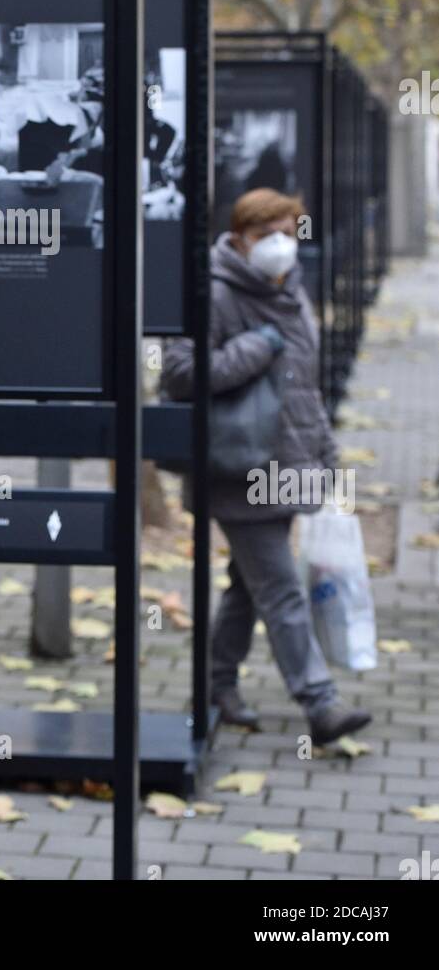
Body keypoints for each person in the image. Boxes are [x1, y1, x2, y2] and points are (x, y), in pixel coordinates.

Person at [161, 187, 373, 746]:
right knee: (280, 588)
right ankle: (320, 704)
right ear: (239, 238)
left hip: (289, 465)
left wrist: (325, 458)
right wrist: (259, 345)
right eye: (266, 234)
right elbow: (180, 373)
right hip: (237, 469)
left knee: (248, 586)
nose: (280, 245)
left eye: (288, 232)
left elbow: (306, 391)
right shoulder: (210, 291)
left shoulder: (293, 293)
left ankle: (216, 686)